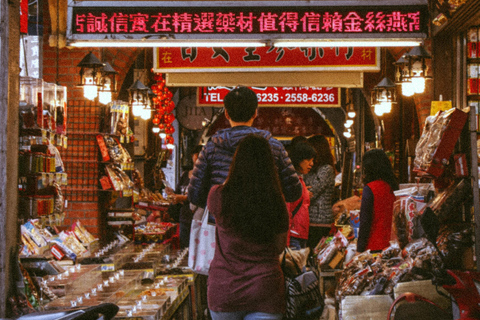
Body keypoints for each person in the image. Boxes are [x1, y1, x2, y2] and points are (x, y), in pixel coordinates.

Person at [207, 134, 289, 320]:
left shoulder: (218, 195)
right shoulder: (276, 201)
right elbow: (279, 246)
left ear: (236, 162)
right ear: (270, 166)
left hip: (224, 290)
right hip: (265, 289)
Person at [188, 86, 302, 209]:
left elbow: (195, 195)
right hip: (264, 222)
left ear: (226, 113)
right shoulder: (275, 147)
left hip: (223, 223)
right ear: (255, 113)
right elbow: (293, 192)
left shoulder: (211, 148)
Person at [356, 149, 399, 253]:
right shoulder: (393, 187)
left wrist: (359, 249)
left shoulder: (370, 189)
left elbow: (365, 222)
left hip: (374, 246)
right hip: (393, 245)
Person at [166, 145, 203, 248]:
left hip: (197, 218)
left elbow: (200, 196)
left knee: (196, 247)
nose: (197, 159)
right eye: (196, 156)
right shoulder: (185, 174)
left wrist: (183, 198)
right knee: (184, 248)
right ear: (192, 157)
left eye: (200, 156)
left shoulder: (203, 176)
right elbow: (178, 191)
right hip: (184, 217)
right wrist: (172, 193)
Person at [304, 134, 336, 252]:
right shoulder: (312, 169)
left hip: (320, 220)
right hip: (310, 219)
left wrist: (305, 192)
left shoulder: (326, 169)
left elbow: (312, 192)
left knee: (316, 253)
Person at [286, 142, 316, 250]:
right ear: (299, 159)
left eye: (312, 160)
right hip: (294, 234)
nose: (311, 164)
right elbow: (288, 210)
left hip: (300, 233)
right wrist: (287, 241)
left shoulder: (298, 180)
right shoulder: (292, 181)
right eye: (308, 160)